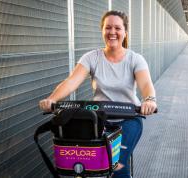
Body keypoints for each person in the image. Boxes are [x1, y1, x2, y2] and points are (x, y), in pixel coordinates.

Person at [39, 10, 157, 178]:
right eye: (108, 28)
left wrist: (149, 100)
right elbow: (72, 81)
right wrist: (52, 99)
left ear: (125, 32)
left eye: (117, 28)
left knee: (117, 165)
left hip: (129, 120)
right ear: (102, 31)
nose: (112, 32)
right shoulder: (92, 57)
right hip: (98, 121)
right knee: (90, 166)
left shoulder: (135, 59)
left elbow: (146, 84)